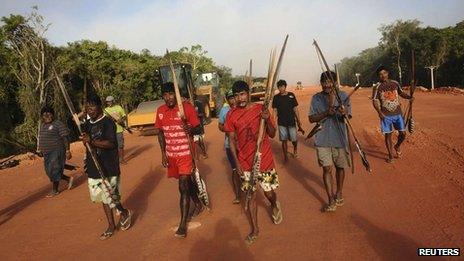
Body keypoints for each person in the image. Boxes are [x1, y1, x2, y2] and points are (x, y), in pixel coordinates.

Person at [224, 80, 282, 245]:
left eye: (242, 94)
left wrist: (267, 118)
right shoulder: (231, 115)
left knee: (268, 193)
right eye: (236, 95)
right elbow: (232, 141)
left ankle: (274, 203)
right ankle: (255, 229)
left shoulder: (259, 110)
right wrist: (237, 164)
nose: (240, 98)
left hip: (264, 160)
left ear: (248, 93)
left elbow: (271, 134)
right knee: (250, 196)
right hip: (245, 162)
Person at [154, 82, 204, 238]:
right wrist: (163, 154)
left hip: (186, 154)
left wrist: (191, 128)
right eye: (165, 95)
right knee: (187, 183)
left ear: (176, 94)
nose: (169, 98)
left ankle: (183, 224)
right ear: (162, 96)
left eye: (171, 94)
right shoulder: (160, 111)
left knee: (182, 186)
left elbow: (198, 127)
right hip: (171, 155)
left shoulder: (186, 108)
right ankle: (197, 202)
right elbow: (160, 133)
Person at [81, 95, 132, 240]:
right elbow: (86, 140)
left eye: (92, 107)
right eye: (87, 107)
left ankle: (123, 212)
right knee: (103, 198)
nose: (89, 110)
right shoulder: (87, 123)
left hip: (109, 165)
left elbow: (112, 144)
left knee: (111, 195)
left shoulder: (108, 123)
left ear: (99, 106)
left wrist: (92, 141)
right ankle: (111, 225)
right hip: (94, 165)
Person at [308, 71, 351, 212]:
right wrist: (327, 112)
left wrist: (343, 112)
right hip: (322, 138)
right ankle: (330, 199)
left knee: (340, 167)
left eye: (329, 82)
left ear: (335, 82)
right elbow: (311, 118)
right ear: (321, 83)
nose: (327, 85)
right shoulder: (316, 98)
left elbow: (348, 116)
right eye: (324, 82)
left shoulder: (343, 96)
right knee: (327, 168)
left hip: (339, 138)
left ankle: (339, 191)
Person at [372, 66, 413, 163]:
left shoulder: (395, 83)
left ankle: (397, 146)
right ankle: (390, 156)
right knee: (388, 136)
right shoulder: (377, 87)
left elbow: (401, 93)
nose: (383, 75)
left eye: (384, 73)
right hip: (385, 115)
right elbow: (375, 101)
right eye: (380, 74)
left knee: (403, 134)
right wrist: (379, 113)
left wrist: (409, 97)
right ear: (379, 76)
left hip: (398, 114)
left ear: (388, 73)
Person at [37, 106, 74, 197]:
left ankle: (55, 190)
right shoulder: (42, 125)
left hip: (57, 151)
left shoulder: (58, 124)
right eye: (44, 114)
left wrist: (68, 150)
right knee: (49, 171)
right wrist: (41, 150)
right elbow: (42, 138)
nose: (47, 116)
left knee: (54, 170)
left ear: (53, 115)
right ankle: (68, 178)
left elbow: (65, 137)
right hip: (47, 153)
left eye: (49, 113)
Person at [272, 79, 304, 162]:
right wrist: (274, 122)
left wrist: (298, 120)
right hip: (281, 122)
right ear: (278, 88)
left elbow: (295, 108)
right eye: (279, 87)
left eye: (282, 86)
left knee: (294, 139)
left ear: (285, 87)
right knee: (284, 140)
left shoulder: (291, 95)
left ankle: (295, 149)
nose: (281, 88)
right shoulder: (276, 98)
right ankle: (285, 156)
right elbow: (275, 110)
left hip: (291, 121)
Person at [218, 90, 240, 204]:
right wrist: (227, 129)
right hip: (229, 145)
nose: (233, 100)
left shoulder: (242, 109)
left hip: (244, 145)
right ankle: (237, 195)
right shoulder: (224, 110)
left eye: (234, 97)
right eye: (230, 98)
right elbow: (220, 126)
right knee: (235, 169)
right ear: (227, 99)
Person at [104, 96, 127, 164]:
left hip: (119, 129)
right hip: (110, 131)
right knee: (112, 146)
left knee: (120, 145)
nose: (109, 103)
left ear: (113, 101)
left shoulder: (119, 107)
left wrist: (121, 121)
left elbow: (124, 116)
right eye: (107, 102)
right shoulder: (105, 110)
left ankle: (121, 159)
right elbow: (104, 120)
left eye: (110, 101)